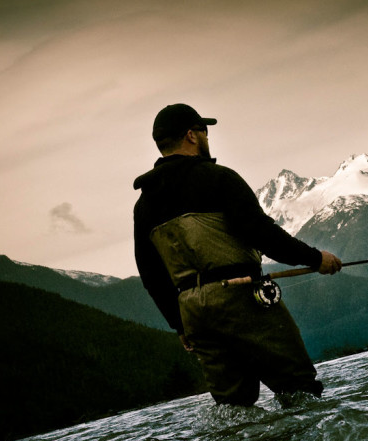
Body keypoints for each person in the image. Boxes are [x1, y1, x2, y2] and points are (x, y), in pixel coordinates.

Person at [133, 103, 342, 407]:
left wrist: (179, 324)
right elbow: (262, 233)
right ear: (191, 135)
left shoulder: (144, 206)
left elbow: (151, 274)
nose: (207, 138)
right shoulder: (217, 178)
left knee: (234, 409)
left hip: (193, 312)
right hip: (240, 296)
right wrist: (315, 259)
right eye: (204, 132)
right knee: (299, 390)